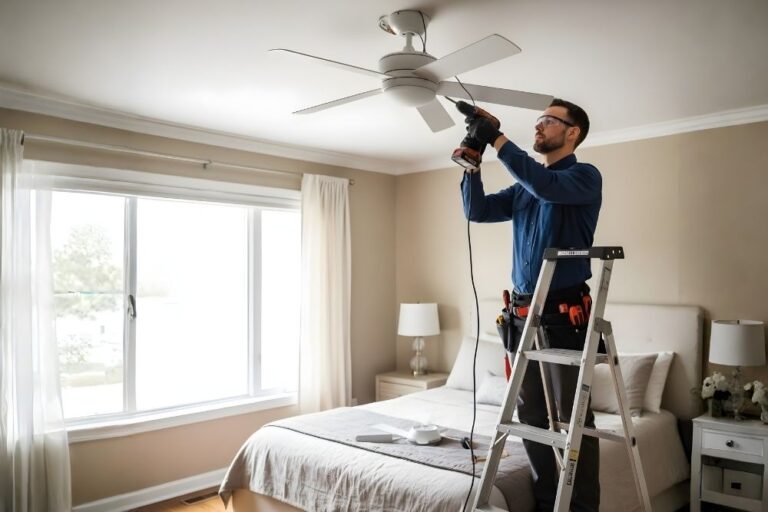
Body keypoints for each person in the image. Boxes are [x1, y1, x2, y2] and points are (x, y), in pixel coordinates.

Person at [461, 98, 601, 512]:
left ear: (572, 131)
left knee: (574, 420)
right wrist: (473, 161)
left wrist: (499, 139)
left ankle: (581, 507)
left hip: (563, 316)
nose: (537, 127)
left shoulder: (583, 177)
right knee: (532, 418)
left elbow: (546, 187)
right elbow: (477, 210)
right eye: (537, 121)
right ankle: (544, 502)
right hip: (521, 315)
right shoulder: (525, 185)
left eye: (547, 121)